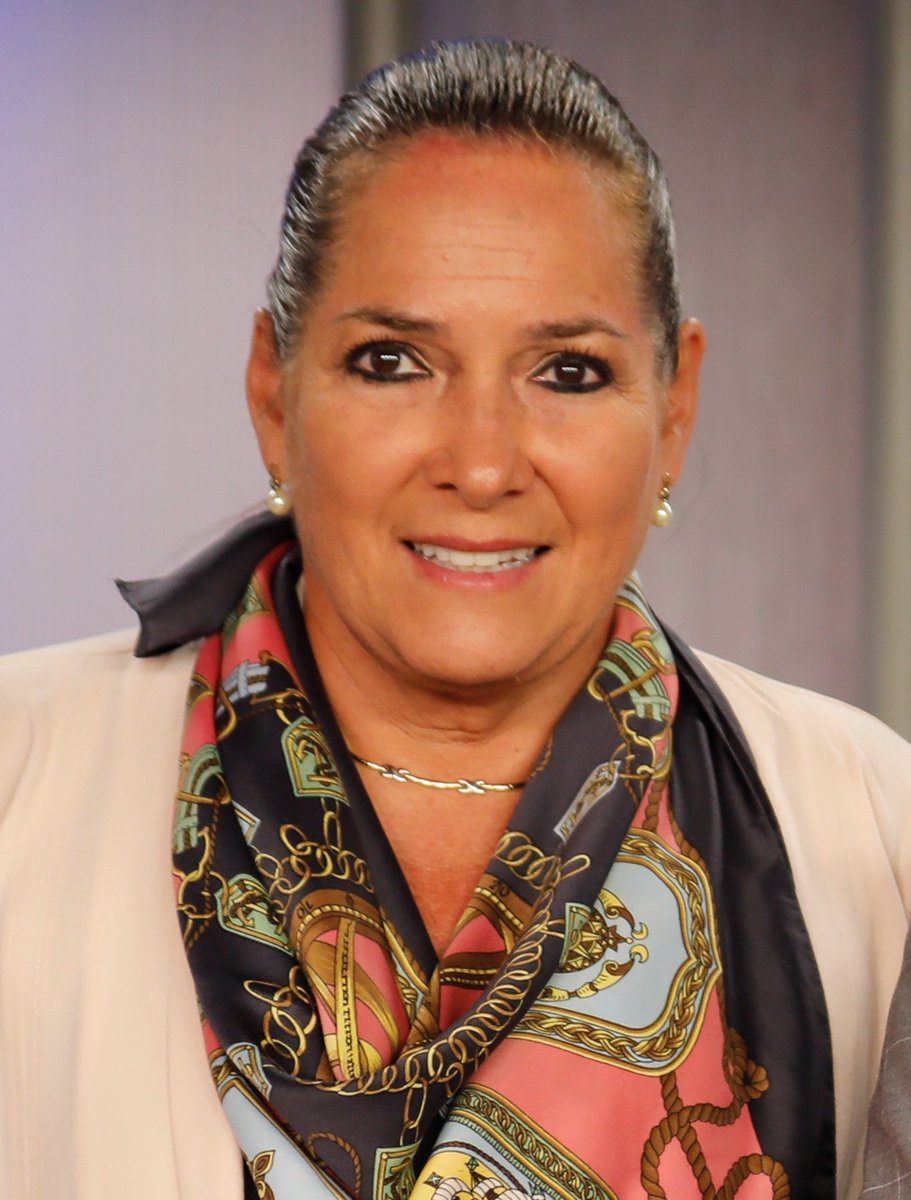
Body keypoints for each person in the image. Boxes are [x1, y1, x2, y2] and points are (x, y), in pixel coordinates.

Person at [1, 38, 908, 1200]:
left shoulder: (874, 832)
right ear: (272, 390)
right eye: (392, 362)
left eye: (566, 372)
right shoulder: (17, 781)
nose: (480, 466)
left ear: (674, 408)